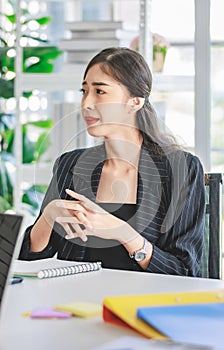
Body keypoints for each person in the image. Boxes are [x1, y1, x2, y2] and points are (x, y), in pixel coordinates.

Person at [19, 47, 206, 276]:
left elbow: (185, 272)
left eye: (100, 91)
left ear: (134, 102)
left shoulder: (181, 169)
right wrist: (48, 217)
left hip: (144, 305)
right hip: (75, 303)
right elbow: (29, 259)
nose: (86, 103)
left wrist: (124, 233)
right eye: (84, 91)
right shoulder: (71, 165)